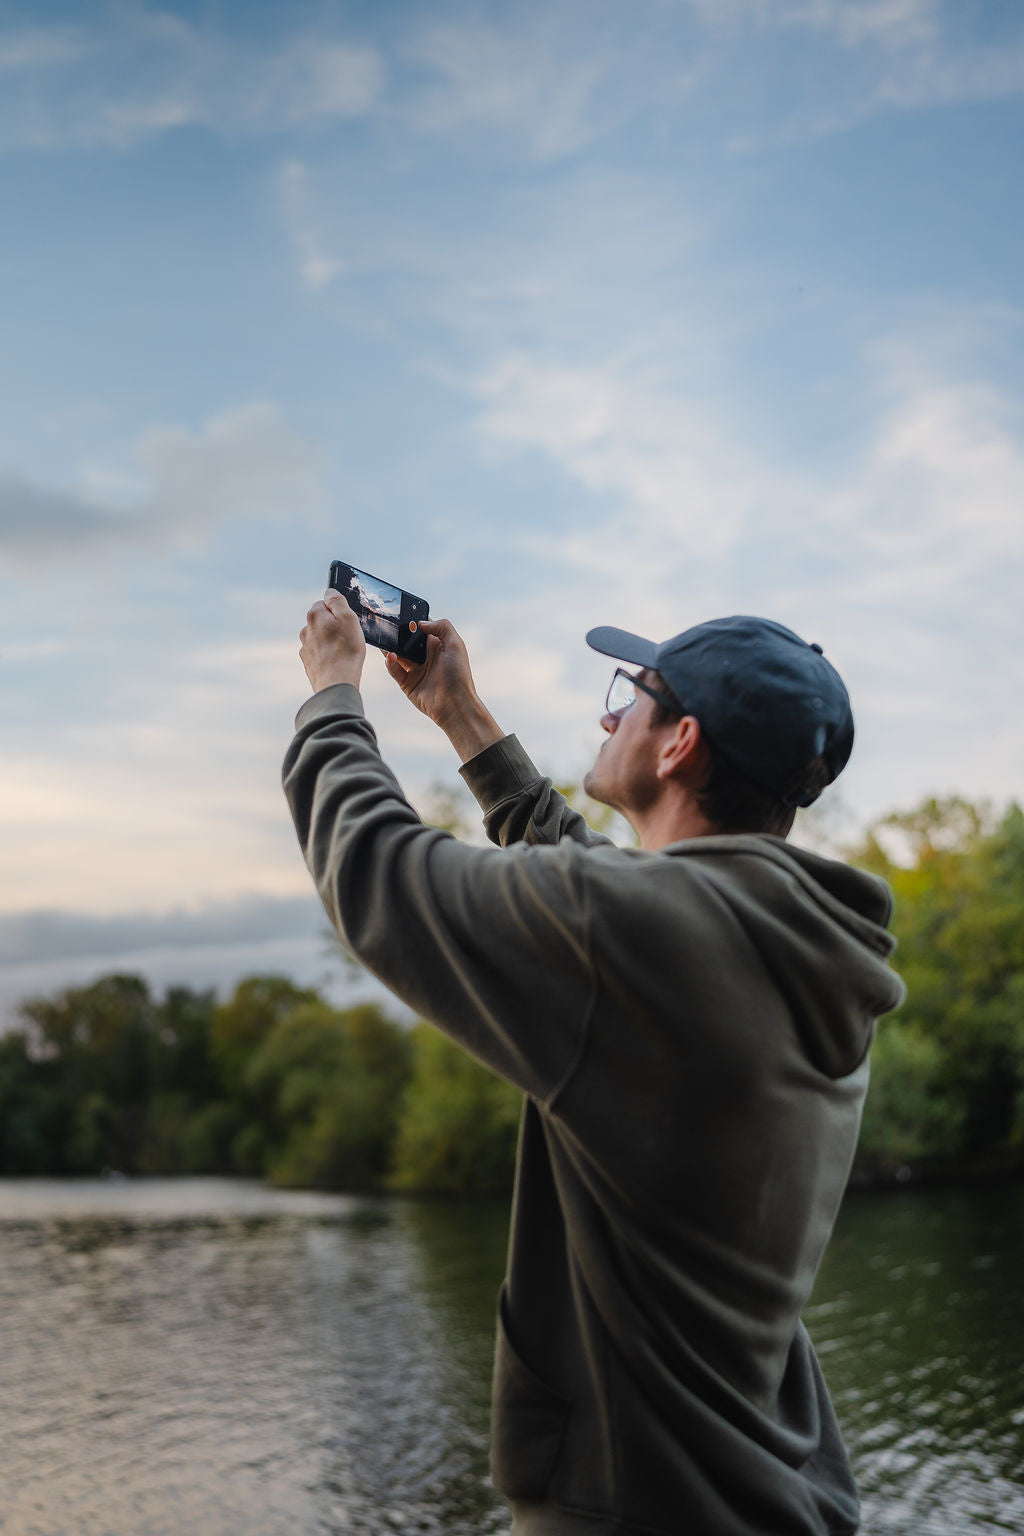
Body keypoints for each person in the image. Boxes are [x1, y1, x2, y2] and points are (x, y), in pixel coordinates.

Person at [283, 595, 906, 1536]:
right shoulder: (795, 945)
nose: (610, 715)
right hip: (769, 1499)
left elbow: (375, 870)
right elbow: (603, 892)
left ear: (678, 743)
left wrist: (333, 695)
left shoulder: (634, 935)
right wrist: (462, 715)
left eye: (634, 696)